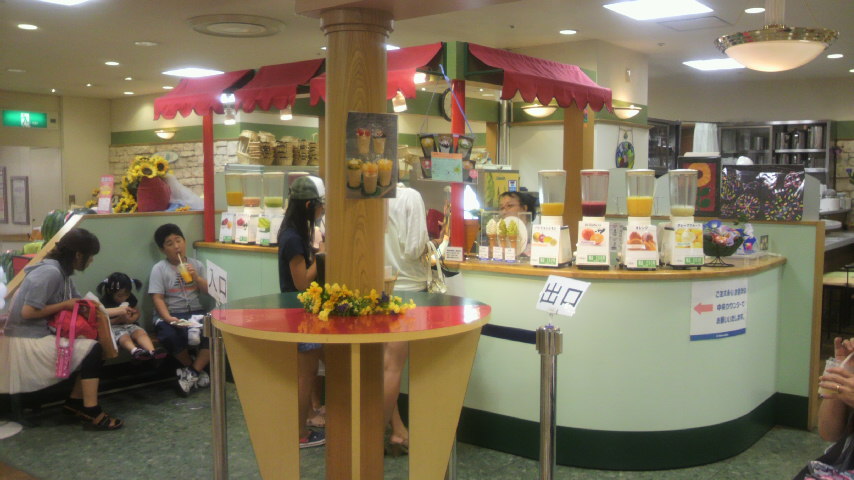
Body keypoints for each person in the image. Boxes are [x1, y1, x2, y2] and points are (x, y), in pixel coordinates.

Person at [0, 228, 123, 430]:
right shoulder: (49, 272)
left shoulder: (62, 274)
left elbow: (83, 306)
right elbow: (28, 312)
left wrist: (120, 312)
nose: (91, 261)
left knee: (95, 347)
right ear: (78, 255)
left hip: (39, 335)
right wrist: (65, 305)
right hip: (26, 340)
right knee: (93, 350)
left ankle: (76, 403)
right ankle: (90, 410)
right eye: (90, 256)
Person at [382, 180, 431, 456]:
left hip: (378, 286)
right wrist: (433, 245)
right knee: (392, 367)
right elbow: (414, 248)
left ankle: (398, 430)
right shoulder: (410, 196)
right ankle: (371, 437)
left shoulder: (367, 196)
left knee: (383, 365)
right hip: (408, 288)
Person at [278, 175, 326, 449]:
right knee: (305, 375)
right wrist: (323, 257)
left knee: (307, 372)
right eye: (320, 205)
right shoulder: (293, 239)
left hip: (300, 312)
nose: (322, 210)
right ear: (309, 205)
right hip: (299, 314)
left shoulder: (292, 232)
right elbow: (301, 283)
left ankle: (308, 416)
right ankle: (299, 433)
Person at [149, 223, 210, 396]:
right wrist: (168, 317)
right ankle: (195, 369)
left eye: (179, 240)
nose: (176, 246)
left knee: (214, 330)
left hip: (195, 311)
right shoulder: (159, 269)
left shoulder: (196, 265)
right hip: (172, 313)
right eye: (170, 243)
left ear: (184, 241)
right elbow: (157, 298)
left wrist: (196, 278)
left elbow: (209, 291)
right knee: (168, 334)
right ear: (162, 249)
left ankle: (192, 372)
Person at [97, 272, 165, 361]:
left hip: (130, 324)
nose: (124, 298)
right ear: (110, 292)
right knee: (124, 337)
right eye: (120, 295)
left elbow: (137, 312)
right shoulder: (105, 302)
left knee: (140, 333)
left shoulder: (130, 298)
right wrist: (118, 320)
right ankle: (135, 351)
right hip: (115, 328)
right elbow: (103, 322)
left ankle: (152, 351)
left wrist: (131, 319)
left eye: (127, 294)